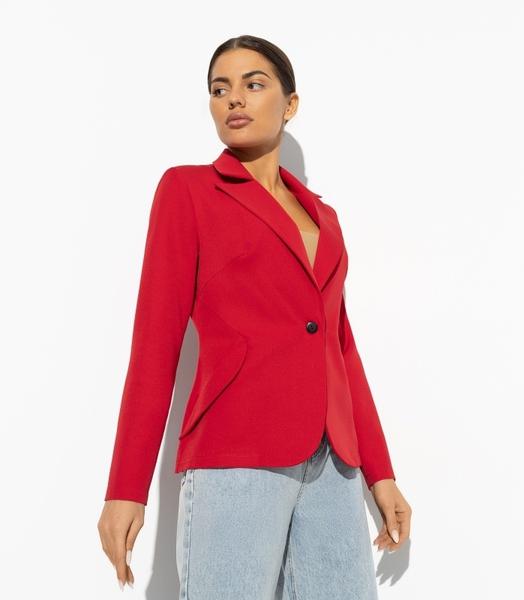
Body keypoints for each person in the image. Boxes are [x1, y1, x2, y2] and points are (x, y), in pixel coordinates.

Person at [97, 34, 412, 599]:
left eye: (253, 84)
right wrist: (126, 488)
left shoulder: (325, 219)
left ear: (290, 104)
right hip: (236, 456)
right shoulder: (188, 190)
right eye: (219, 89)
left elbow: (341, 350)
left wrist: (380, 473)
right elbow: (155, 345)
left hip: (333, 463)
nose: (234, 99)